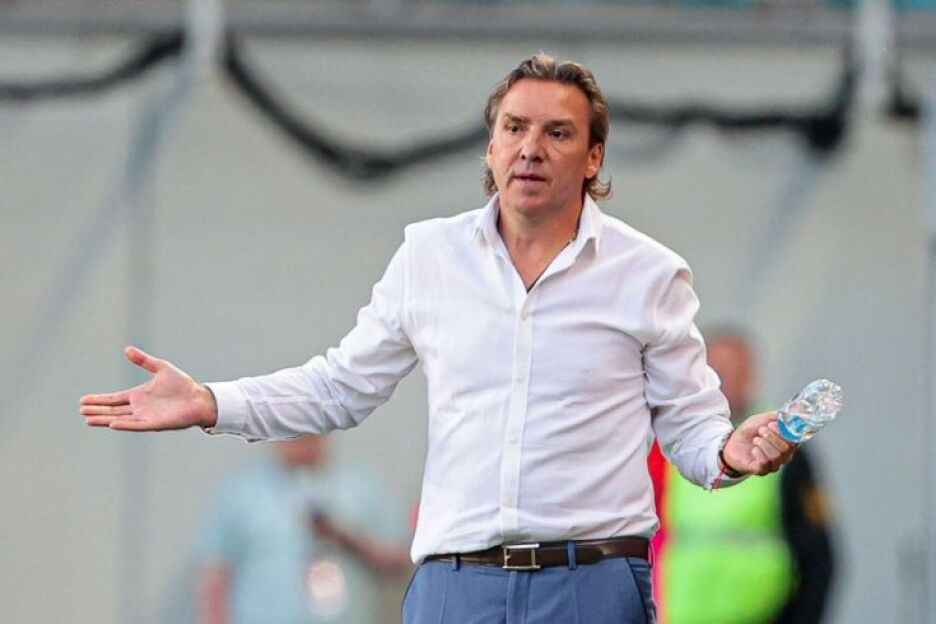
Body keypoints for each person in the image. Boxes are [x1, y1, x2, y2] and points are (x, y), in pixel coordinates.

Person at [80, 53, 799, 623]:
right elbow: (338, 387)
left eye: (557, 133)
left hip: (591, 584)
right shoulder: (429, 258)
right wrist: (211, 401)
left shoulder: (648, 273)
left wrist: (730, 452)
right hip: (456, 587)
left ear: (593, 158)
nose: (530, 148)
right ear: (490, 146)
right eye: (514, 128)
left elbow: (690, 427)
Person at [650, 329, 836, 624]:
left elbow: (817, 556)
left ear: (751, 376)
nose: (722, 382)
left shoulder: (777, 444)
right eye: (713, 372)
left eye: (732, 371)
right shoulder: (673, 445)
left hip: (759, 615)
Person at [196, 434, 410, 624]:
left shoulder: (361, 485)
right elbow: (214, 579)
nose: (299, 435)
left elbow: (398, 563)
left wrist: (348, 538)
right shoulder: (242, 492)